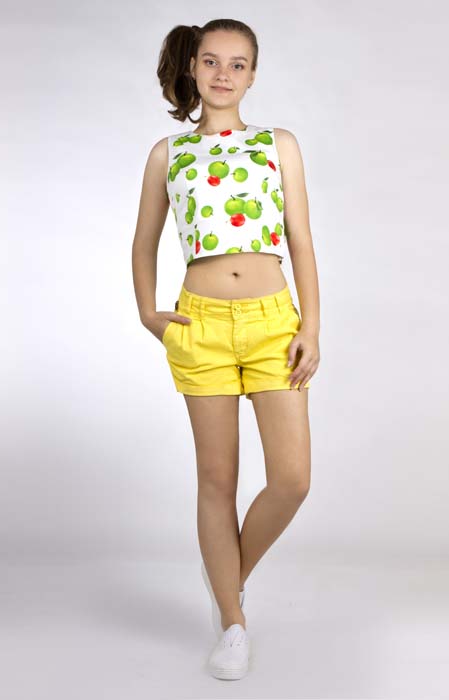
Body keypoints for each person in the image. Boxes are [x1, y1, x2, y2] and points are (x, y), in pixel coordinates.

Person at [131, 19, 320, 680]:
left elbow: (300, 239)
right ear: (192, 67)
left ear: (253, 75)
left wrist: (311, 326)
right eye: (211, 61)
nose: (222, 74)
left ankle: (225, 577)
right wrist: (149, 313)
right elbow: (144, 242)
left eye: (237, 64)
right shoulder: (168, 154)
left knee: (292, 479)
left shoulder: (278, 144)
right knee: (217, 479)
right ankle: (233, 621)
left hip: (273, 322)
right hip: (201, 324)